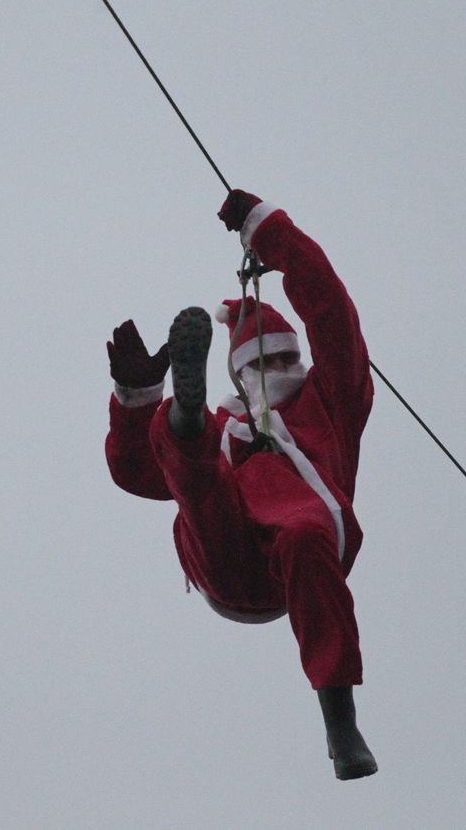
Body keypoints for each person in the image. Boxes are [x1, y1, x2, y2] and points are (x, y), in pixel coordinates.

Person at [104, 189, 377, 780]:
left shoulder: (330, 403)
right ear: (238, 374)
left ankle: (341, 725)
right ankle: (182, 418)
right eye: (259, 364)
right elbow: (135, 472)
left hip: (302, 561)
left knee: (303, 530)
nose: (276, 372)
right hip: (227, 561)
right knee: (198, 485)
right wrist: (135, 400)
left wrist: (269, 232)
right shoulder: (230, 426)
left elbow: (332, 313)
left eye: (284, 360)